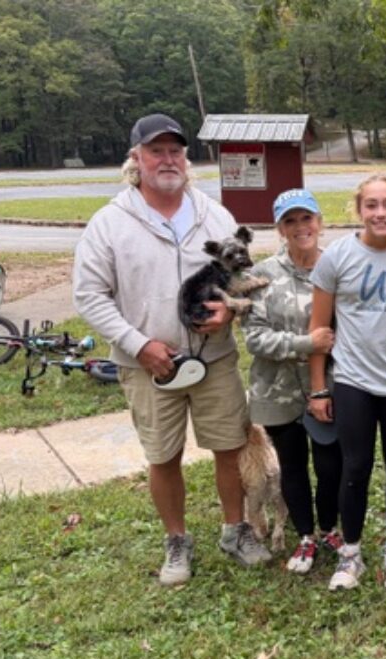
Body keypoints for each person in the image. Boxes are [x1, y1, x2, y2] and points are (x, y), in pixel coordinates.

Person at [73, 113, 270, 587]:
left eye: (175, 151)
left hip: (214, 358)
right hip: (148, 367)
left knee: (229, 447)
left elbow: (240, 275)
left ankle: (235, 529)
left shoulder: (213, 214)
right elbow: (89, 295)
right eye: (156, 151)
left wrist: (232, 313)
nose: (167, 160)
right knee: (163, 456)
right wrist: (139, 345)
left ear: (186, 158)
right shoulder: (110, 223)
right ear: (136, 159)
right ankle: (176, 540)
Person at [307, 175, 386, 591]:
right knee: (355, 467)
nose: (380, 213)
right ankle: (351, 555)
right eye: (372, 205)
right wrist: (318, 388)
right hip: (353, 380)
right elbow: (319, 329)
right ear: (358, 209)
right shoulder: (337, 258)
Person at [242, 189, 342, 575]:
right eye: (290, 221)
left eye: (307, 218)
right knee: (292, 464)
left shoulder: (336, 267)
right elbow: (255, 338)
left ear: (320, 222)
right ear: (279, 228)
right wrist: (306, 343)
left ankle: (330, 527)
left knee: (331, 462)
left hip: (328, 385)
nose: (301, 227)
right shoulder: (262, 276)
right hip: (276, 389)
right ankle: (304, 535)